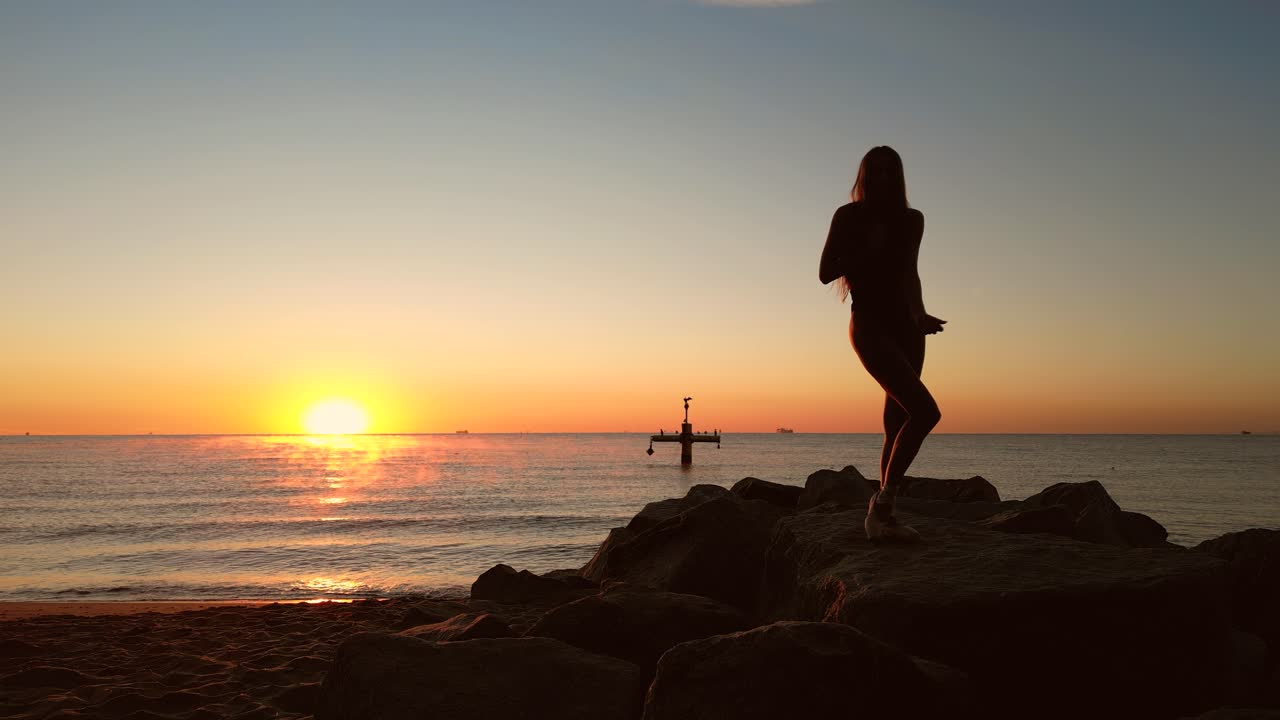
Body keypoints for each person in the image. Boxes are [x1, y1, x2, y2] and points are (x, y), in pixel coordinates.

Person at [818, 146, 946, 543]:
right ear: (865, 175)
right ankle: (883, 503)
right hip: (868, 323)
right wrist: (867, 249)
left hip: (907, 327)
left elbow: (910, 272)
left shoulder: (912, 219)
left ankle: (882, 519)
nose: (884, 178)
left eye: (891, 171)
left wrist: (919, 314)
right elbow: (825, 272)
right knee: (926, 412)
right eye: (876, 171)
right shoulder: (848, 216)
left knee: (896, 422)